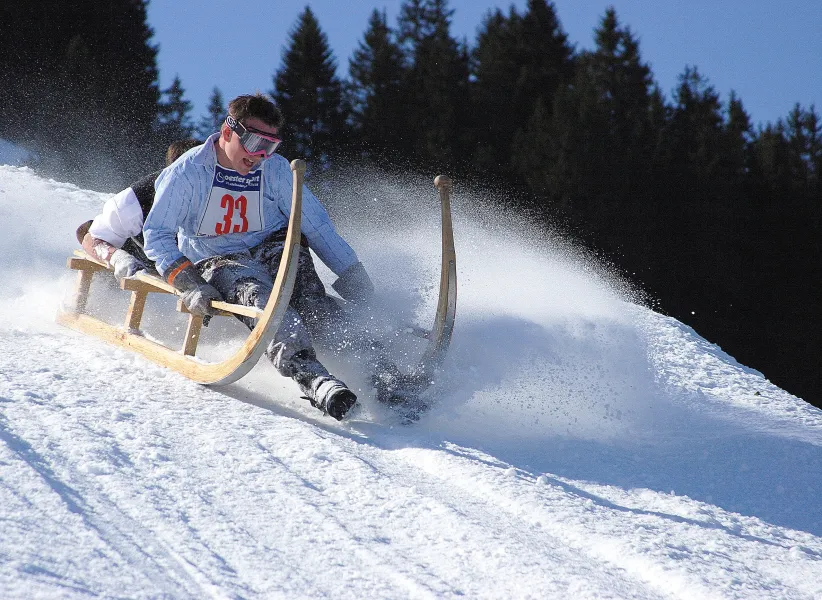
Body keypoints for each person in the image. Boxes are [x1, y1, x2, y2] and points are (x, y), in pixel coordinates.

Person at [143, 94, 374, 421]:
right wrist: (189, 283)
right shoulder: (187, 172)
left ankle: (379, 369)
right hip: (220, 258)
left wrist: (357, 281)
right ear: (227, 132)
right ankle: (312, 377)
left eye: (270, 146)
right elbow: (157, 235)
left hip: (272, 244)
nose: (259, 155)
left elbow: (317, 227)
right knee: (265, 302)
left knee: (312, 301)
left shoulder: (276, 170)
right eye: (253, 142)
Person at [79, 139, 202, 282]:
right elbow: (93, 237)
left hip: (185, 263)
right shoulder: (142, 197)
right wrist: (119, 258)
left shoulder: (216, 192)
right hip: (139, 255)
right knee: (87, 229)